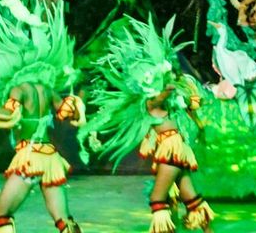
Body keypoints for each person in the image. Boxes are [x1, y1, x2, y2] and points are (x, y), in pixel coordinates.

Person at [0, 0, 85, 233]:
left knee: (1, 216)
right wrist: (79, 104)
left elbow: (8, 113)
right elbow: (65, 113)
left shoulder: (19, 89)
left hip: (29, 158)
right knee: (64, 221)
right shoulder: (48, 89)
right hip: (51, 159)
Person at [81, 16, 215, 233]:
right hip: (174, 147)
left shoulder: (159, 98)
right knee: (191, 198)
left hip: (172, 149)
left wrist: (167, 76)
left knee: (157, 198)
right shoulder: (147, 102)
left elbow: (168, 95)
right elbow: (166, 97)